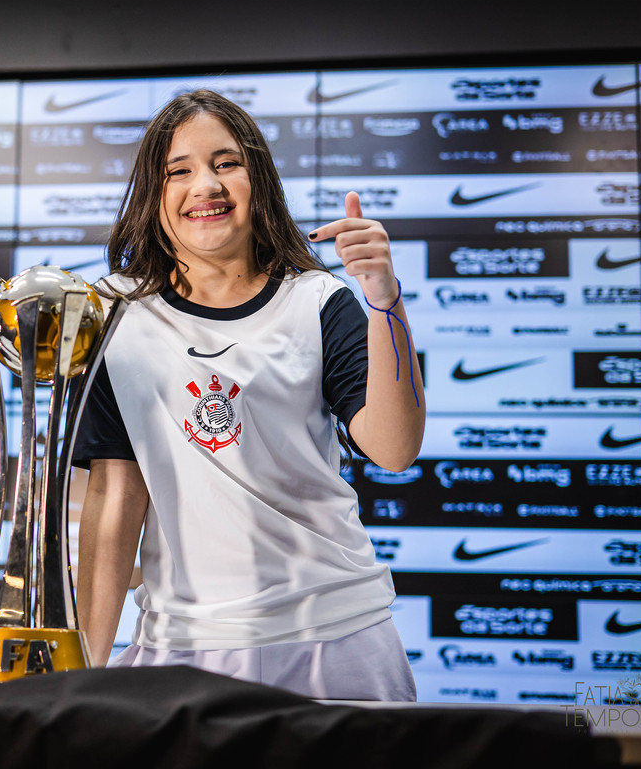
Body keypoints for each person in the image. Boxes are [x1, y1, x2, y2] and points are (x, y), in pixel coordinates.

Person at [72, 89, 425, 701]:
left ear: (258, 179)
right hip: (181, 644)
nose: (204, 184)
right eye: (177, 171)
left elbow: (393, 449)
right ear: (152, 195)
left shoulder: (317, 300)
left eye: (225, 163)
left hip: (336, 634)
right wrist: (77, 678)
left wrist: (383, 298)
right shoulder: (112, 314)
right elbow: (115, 495)